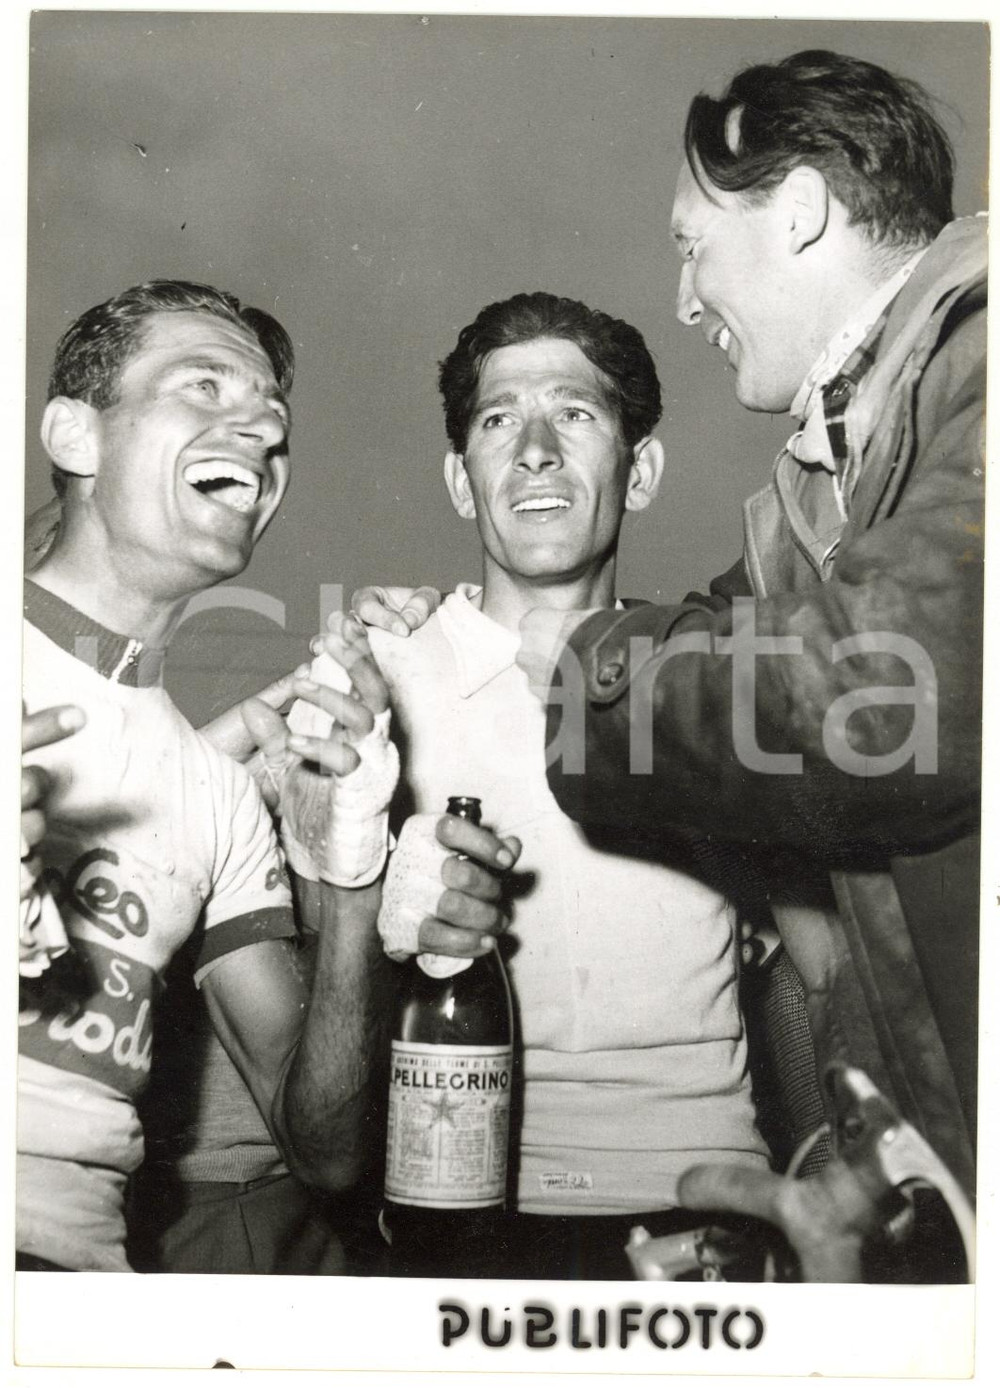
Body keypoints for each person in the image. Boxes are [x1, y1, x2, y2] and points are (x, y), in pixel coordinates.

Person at [511, 51, 984, 1240]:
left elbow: (883, 701)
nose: (681, 300)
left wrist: (584, 665)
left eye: (690, 244)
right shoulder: (811, 496)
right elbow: (722, 654)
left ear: (803, 209)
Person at [19, 279, 510, 1274]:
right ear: (74, 434)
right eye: (202, 386)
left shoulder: (216, 787)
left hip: (81, 1288)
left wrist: (353, 877)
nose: (257, 427)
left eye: (273, 421)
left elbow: (325, 1148)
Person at [301, 292, 773, 1280]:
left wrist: (794, 1214)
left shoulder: (713, 678)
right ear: (461, 481)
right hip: (457, 1227)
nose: (536, 449)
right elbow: (321, 1110)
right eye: (498, 418)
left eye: (575, 412)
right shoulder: (371, 681)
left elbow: (816, 981)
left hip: (708, 1224)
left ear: (637, 470)